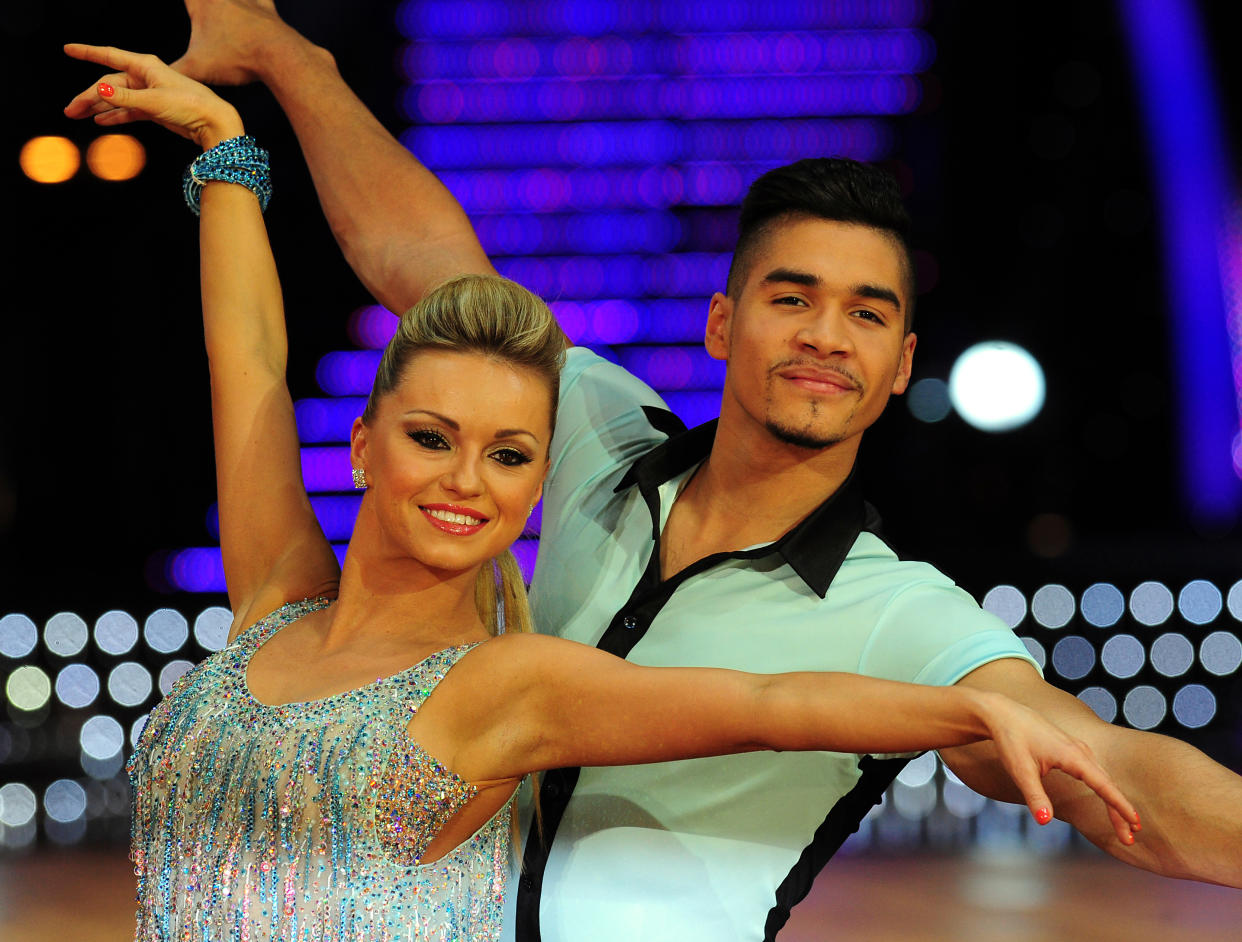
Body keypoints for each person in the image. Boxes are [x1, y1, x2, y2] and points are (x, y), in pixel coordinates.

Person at [67, 5, 1242, 938]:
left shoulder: (896, 611)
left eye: (867, 314)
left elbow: (1104, 773)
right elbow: (428, 282)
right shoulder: (590, 429)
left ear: (902, 366)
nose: (827, 336)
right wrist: (284, 67)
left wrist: (988, 714)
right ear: (724, 325)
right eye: (794, 298)